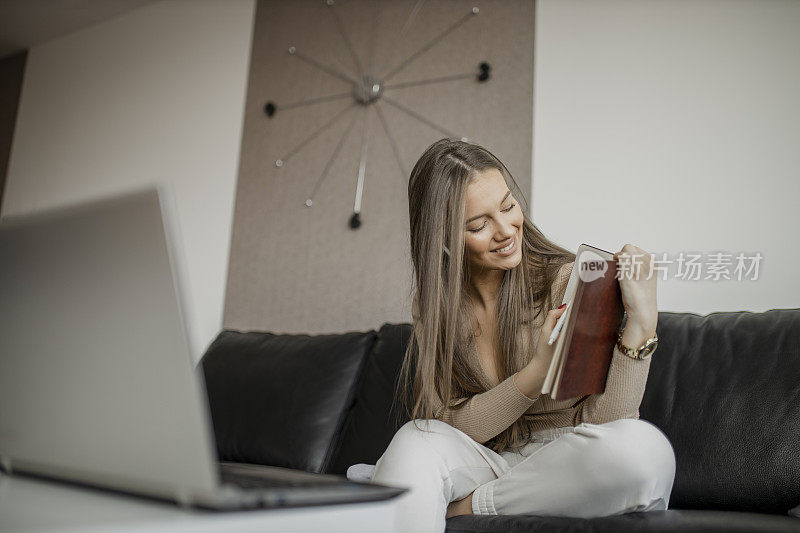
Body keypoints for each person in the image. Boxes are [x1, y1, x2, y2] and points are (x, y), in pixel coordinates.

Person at [370, 139, 676, 532]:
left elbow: (610, 423)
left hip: (565, 464)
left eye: (509, 206)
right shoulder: (436, 306)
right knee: (416, 439)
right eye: (479, 225)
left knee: (644, 451)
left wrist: (641, 325)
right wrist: (537, 371)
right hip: (487, 458)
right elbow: (450, 423)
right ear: (443, 240)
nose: (505, 231)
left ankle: (463, 507)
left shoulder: (569, 280)